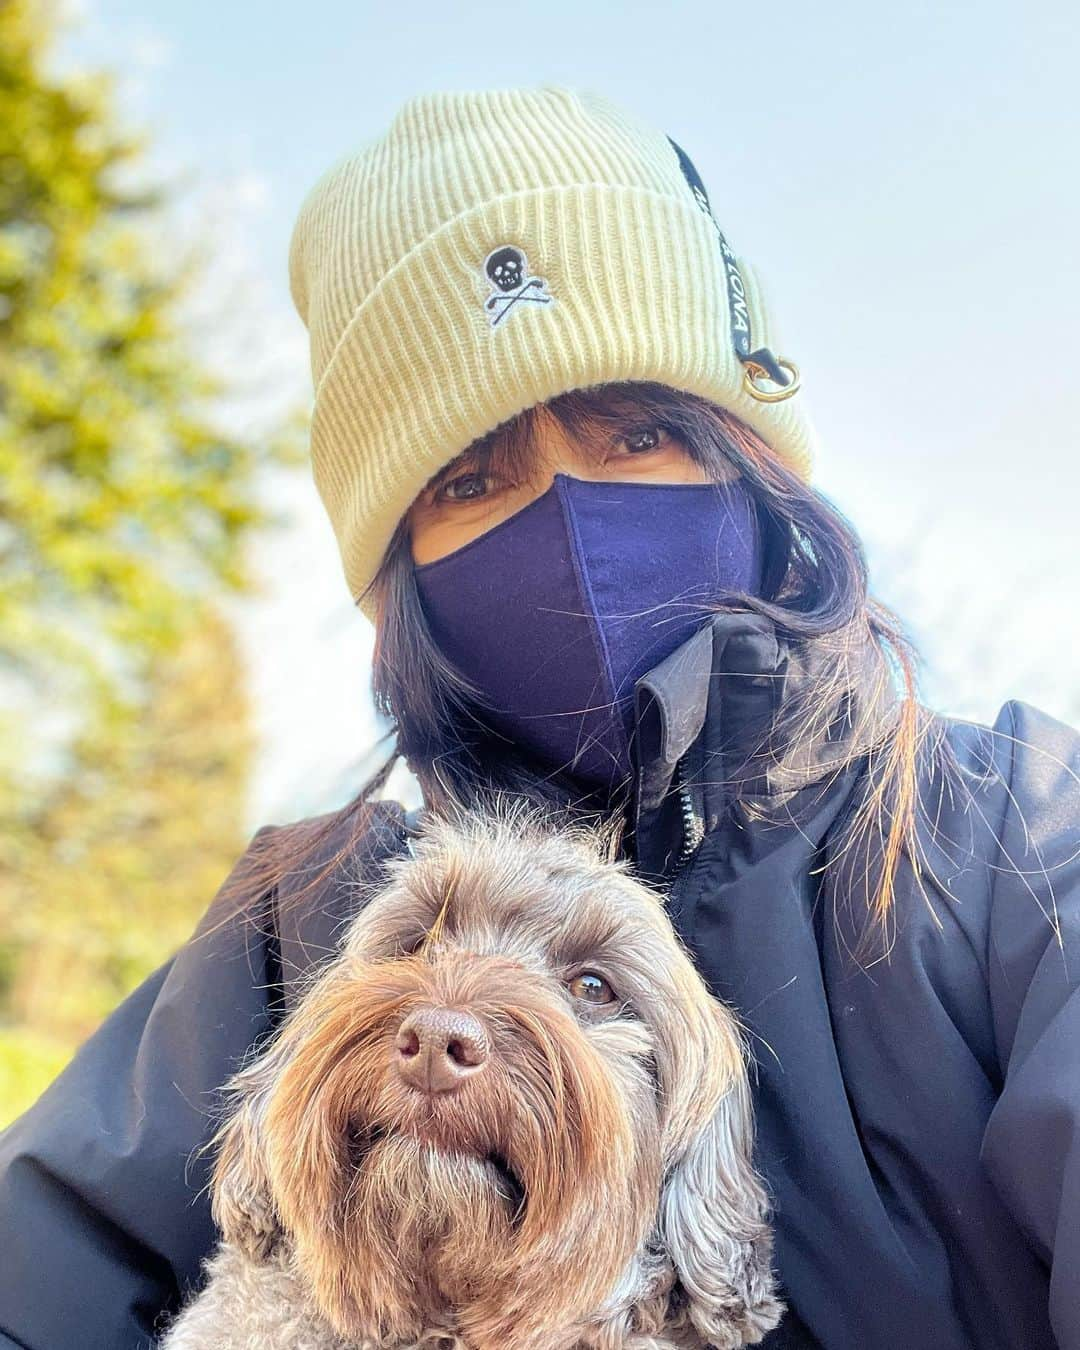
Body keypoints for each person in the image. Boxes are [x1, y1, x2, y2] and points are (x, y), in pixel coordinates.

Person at [0, 84, 1077, 1350]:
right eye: (471, 477)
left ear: (751, 460)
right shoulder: (297, 926)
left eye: (635, 434)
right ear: (400, 577)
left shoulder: (1011, 839)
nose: (570, 517)